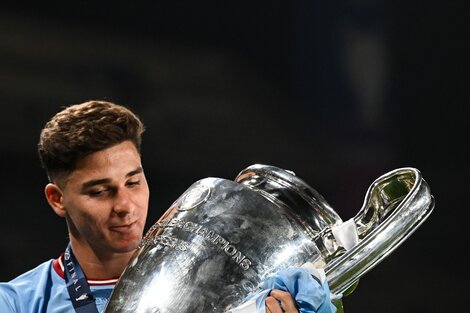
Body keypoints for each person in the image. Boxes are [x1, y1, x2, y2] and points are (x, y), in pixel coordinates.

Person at [0, 100, 336, 313]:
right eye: (101, 192)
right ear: (58, 200)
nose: (125, 205)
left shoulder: (239, 285)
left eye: (133, 182)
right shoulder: (17, 303)